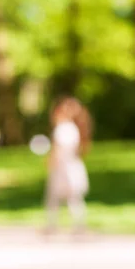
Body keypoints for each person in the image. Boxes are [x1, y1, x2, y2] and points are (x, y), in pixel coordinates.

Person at [45, 96, 92, 234]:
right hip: (73, 166)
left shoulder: (63, 128)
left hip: (63, 167)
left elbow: (58, 149)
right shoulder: (74, 129)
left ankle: (53, 225)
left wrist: (52, 161)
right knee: (73, 198)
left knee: (54, 197)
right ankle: (78, 224)